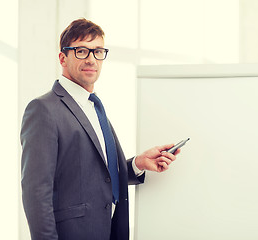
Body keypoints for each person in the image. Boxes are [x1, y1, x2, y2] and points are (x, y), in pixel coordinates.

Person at [20, 18, 180, 240]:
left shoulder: (95, 106)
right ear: (62, 58)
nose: (91, 59)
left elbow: (96, 176)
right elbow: (36, 192)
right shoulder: (43, 109)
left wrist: (137, 164)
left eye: (97, 51)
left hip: (110, 230)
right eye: (81, 51)